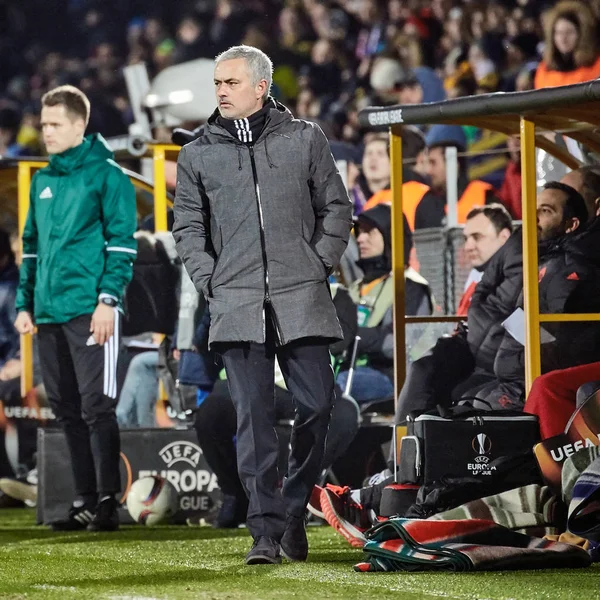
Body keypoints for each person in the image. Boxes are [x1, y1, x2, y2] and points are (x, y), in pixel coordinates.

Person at [172, 45, 352, 565]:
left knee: (319, 407)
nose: (221, 91)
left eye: (230, 82)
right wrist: (212, 281)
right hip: (236, 303)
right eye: (217, 83)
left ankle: (293, 509)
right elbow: (188, 228)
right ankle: (266, 534)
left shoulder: (305, 139)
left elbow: (336, 207)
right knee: (252, 423)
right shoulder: (197, 152)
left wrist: (318, 263)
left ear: (260, 87)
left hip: (303, 297)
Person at [13, 85, 137, 531]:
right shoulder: (43, 180)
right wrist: (25, 302)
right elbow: (30, 249)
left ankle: (108, 501)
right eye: (43, 124)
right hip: (48, 311)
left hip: (91, 310)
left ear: (79, 125)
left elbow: (123, 246)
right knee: (65, 408)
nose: (45, 132)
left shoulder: (108, 176)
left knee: (96, 407)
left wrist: (108, 301)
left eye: (54, 124)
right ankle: (85, 498)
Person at [194, 282, 359, 529]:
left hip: (306, 379)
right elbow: (204, 337)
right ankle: (235, 493)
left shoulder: (337, 294)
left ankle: (298, 493)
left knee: (345, 414)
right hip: (250, 377)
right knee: (210, 413)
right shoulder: (237, 282)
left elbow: (340, 342)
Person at [336, 204, 433, 404]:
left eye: (370, 232)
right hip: (350, 367)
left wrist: (354, 335)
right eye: (360, 232)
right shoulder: (355, 287)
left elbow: (398, 344)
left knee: (334, 385)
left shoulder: (409, 287)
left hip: (391, 376)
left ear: (391, 236)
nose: (360, 238)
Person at [414, 141, 500, 229]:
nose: (428, 170)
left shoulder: (485, 194)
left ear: (453, 164)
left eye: (433, 163)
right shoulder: (427, 201)